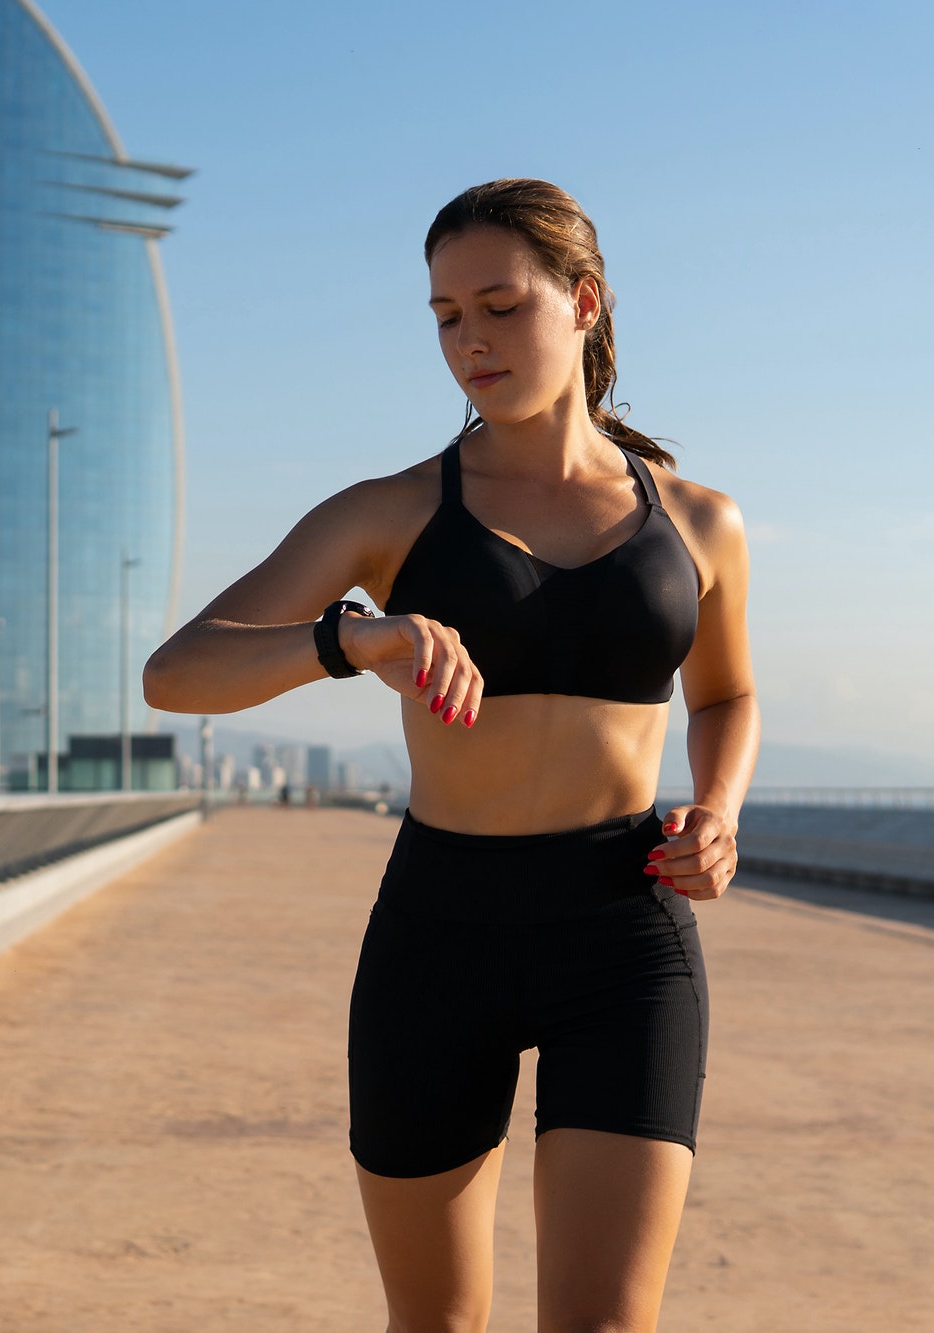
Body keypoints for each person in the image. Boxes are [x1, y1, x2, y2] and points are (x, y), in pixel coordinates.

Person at [144, 178, 758, 1332]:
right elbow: (176, 674)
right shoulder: (391, 512)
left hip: (622, 933)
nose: (467, 340)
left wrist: (717, 808)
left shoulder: (699, 521)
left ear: (582, 302)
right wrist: (350, 637)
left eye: (496, 305)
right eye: (442, 317)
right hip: (441, 931)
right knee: (436, 1325)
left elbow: (723, 694)